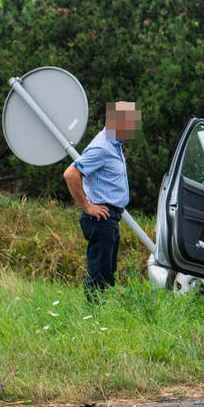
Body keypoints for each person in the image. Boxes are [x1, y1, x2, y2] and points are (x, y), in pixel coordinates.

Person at [62, 101, 141, 298]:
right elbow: (71, 174)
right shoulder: (102, 147)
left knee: (107, 271)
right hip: (101, 218)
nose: (132, 127)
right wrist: (87, 206)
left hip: (112, 217)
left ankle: (100, 314)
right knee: (99, 273)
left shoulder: (115, 145)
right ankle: (93, 317)